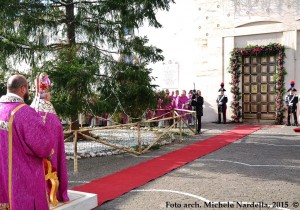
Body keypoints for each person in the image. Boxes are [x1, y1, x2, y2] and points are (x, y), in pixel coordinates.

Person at [0, 74, 54, 210]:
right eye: (28, 88)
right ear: (23, 89)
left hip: (3, 175)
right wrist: (49, 151)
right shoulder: (24, 113)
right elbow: (42, 145)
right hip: (23, 179)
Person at [31, 72, 70, 203]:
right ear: (47, 94)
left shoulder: (31, 109)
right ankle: (53, 193)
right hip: (51, 151)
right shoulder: (51, 111)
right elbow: (58, 130)